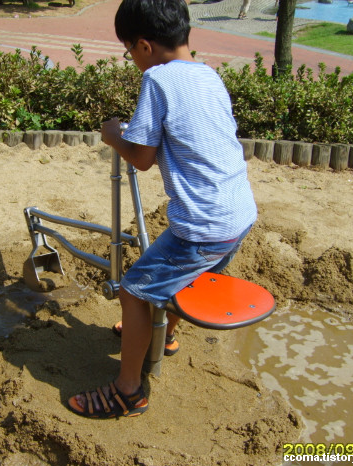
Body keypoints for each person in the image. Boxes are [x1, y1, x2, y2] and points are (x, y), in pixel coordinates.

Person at [66, 0, 257, 419]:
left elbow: (143, 156)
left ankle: (128, 391)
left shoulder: (157, 80)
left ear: (144, 46)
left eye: (129, 50)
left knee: (135, 291)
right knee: (188, 280)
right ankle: (163, 335)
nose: (132, 59)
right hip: (238, 213)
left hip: (202, 224)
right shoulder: (209, 76)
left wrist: (114, 135)